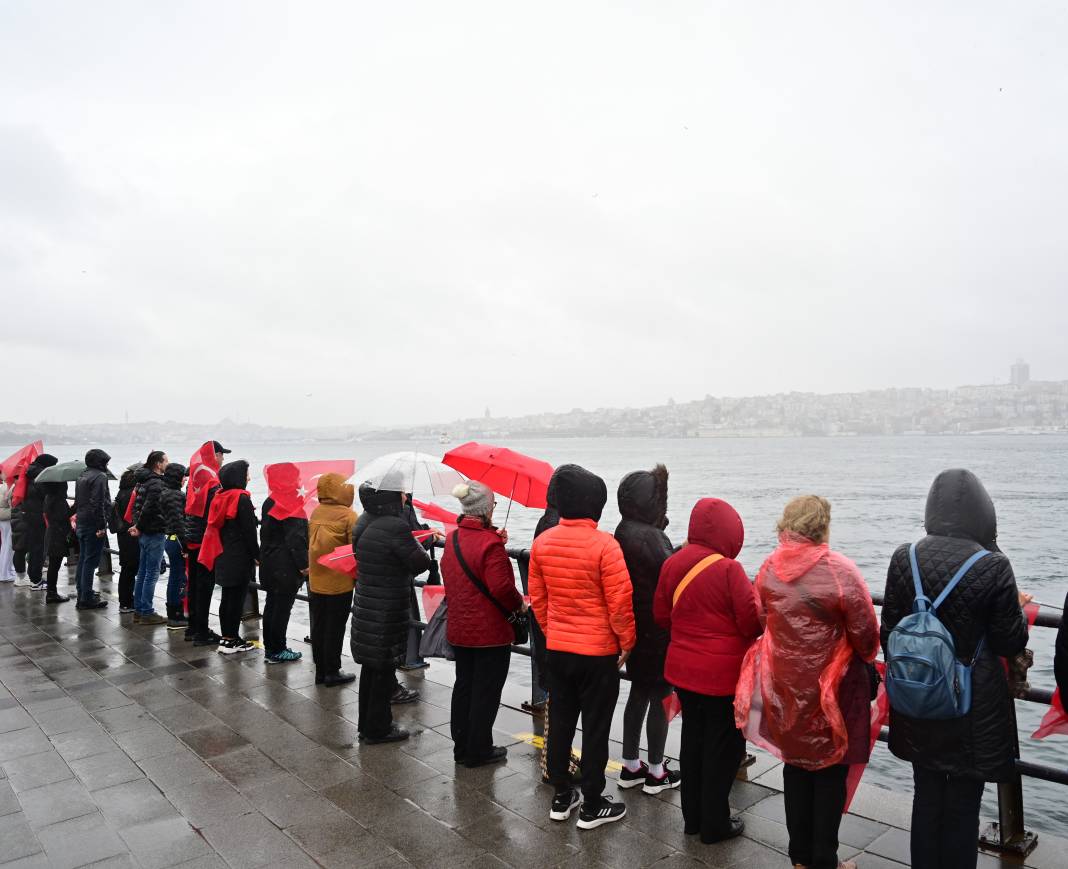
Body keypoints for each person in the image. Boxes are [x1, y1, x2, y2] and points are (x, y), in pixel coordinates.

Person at [881, 470, 1029, 869]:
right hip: (972, 708)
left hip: (918, 697)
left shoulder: (904, 557)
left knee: (925, 795)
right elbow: (1009, 641)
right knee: (964, 803)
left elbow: (889, 631)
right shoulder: (994, 566)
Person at [736, 495, 879, 869]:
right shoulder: (840, 571)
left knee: (795, 764)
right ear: (823, 527)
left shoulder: (768, 569)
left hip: (784, 683)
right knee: (830, 767)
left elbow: (764, 619)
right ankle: (824, 859)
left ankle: (799, 857)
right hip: (833, 689)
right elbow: (866, 635)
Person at [528, 463, 636, 830]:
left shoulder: (542, 543)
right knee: (595, 728)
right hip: (598, 654)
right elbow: (620, 602)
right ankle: (592, 802)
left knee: (560, 723)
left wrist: (552, 631)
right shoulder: (606, 545)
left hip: (558, 650)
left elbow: (538, 600)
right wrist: (627, 642)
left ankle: (562, 795)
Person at [655, 498, 761, 843]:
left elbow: (660, 615)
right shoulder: (729, 569)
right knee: (724, 748)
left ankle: (693, 818)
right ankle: (715, 823)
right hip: (722, 677)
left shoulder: (673, 563)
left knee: (693, 741)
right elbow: (750, 623)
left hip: (683, 671)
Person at [441, 481, 524, 767]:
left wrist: (494, 540)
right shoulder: (491, 545)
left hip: (459, 627)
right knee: (486, 691)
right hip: (489, 632)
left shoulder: (452, 539)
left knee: (464, 685)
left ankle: (461, 745)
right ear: (487, 509)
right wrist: (519, 604)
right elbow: (501, 587)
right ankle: (479, 749)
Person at [351, 481, 433, 743]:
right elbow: (419, 562)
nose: (404, 496)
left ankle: (367, 725)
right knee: (382, 670)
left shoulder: (364, 520)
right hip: (386, 608)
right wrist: (423, 543)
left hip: (368, 602)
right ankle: (378, 729)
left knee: (371, 670)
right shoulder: (395, 526)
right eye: (400, 492)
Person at [614, 464, 678, 794]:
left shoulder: (623, 530)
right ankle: (656, 771)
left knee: (638, 692)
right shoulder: (651, 536)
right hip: (657, 629)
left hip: (634, 626)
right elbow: (672, 573)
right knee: (662, 696)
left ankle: (630, 765)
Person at [199, 460, 258, 654]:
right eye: (246, 474)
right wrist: (257, 556)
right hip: (239, 556)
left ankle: (226, 638)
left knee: (227, 597)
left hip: (222, 553)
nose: (248, 478)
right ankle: (232, 640)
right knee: (236, 598)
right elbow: (249, 532)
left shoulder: (220, 496)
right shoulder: (241, 498)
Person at [308, 473, 359, 685]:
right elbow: (354, 551)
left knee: (319, 626)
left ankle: (320, 671)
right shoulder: (348, 516)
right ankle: (332, 671)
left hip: (316, 580)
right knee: (335, 627)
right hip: (339, 582)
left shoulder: (316, 512)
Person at [260, 463, 309, 664]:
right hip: (285, 566)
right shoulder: (290, 503)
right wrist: (303, 565)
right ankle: (278, 649)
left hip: (270, 561)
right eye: (296, 478)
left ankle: (271, 647)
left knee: (272, 605)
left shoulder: (269, 501)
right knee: (281, 608)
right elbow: (296, 539)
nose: (299, 482)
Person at [184, 441, 229, 646]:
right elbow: (215, 512)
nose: (222, 459)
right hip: (205, 539)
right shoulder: (212, 481)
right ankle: (202, 631)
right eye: (221, 455)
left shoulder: (196, 478)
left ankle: (193, 626)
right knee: (204, 585)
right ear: (215, 456)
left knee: (194, 583)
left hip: (192, 537)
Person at [130, 451, 170, 624]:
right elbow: (149, 508)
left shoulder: (142, 481)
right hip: (154, 530)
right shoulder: (156, 483)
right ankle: (146, 611)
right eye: (166, 461)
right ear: (158, 464)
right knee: (151, 573)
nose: (168, 464)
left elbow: (136, 506)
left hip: (144, 531)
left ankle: (138, 609)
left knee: (143, 571)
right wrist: (139, 526)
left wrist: (137, 525)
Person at [73, 449, 111, 609]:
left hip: (82, 520)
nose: (107, 464)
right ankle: (86, 598)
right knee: (90, 561)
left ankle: (82, 592)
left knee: (83, 559)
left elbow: (79, 500)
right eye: (105, 461)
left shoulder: (82, 475)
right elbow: (98, 502)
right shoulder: (100, 476)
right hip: (93, 523)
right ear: (100, 461)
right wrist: (101, 525)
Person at [12, 454, 57, 589]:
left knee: (26, 548)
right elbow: (46, 496)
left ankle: (30, 578)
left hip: (27, 515)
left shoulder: (28, 474)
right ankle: (36, 580)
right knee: (38, 549)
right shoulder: (41, 478)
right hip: (37, 517)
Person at [161, 462, 189, 631]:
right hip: (176, 540)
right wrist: (185, 546)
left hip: (170, 539)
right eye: (183, 476)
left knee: (175, 577)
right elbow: (179, 523)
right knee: (178, 578)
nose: (185, 479)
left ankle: (174, 613)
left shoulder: (166, 493)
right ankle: (175, 616)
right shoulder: (174, 495)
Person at [110, 466, 141, 613]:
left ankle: (125, 601)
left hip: (122, 534)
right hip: (130, 534)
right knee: (130, 568)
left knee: (126, 568)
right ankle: (127, 602)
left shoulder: (121, 492)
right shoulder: (132, 494)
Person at [40, 479, 74, 604]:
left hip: (52, 534)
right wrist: (75, 507)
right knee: (54, 565)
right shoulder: (58, 499)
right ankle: (52, 593)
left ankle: (51, 592)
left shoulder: (49, 497)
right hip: (57, 535)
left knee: (53, 566)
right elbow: (63, 517)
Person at [0, 472, 16, 582]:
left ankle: (5, 571)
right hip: (8, 517)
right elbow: (10, 502)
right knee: (9, 546)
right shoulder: (9, 487)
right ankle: (5, 574)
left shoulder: (1, 486)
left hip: (2, 518)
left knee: (5, 544)